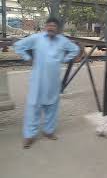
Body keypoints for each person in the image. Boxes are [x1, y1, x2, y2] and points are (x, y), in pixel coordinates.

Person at [14, 17, 80, 149]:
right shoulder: (37, 38)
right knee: (33, 107)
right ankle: (29, 135)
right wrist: (28, 58)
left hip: (53, 81)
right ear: (45, 27)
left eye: (53, 26)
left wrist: (64, 59)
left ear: (58, 29)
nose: (50, 28)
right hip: (38, 81)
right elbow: (19, 45)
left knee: (52, 107)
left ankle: (48, 131)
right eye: (48, 25)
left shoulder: (62, 40)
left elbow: (75, 50)